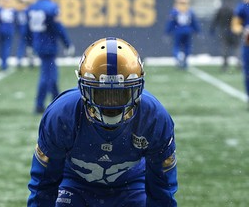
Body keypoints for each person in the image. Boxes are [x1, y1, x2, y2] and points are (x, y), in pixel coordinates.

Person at [27, 37, 178, 207]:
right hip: (75, 186)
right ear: (83, 88)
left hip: (131, 186)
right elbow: (44, 185)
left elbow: (162, 189)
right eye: (101, 94)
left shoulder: (154, 118)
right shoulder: (62, 115)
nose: (111, 104)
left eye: (120, 94)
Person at [26, 0, 75, 113]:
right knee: (49, 76)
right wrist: (67, 43)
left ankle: (56, 100)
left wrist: (29, 45)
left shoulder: (32, 7)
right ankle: (41, 104)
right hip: (49, 44)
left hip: (39, 43)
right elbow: (58, 28)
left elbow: (27, 29)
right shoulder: (52, 7)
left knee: (49, 74)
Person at [165, 0, 200, 69]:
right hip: (187, 31)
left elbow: (171, 23)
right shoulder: (189, 10)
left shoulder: (175, 11)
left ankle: (178, 58)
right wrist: (197, 31)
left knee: (176, 47)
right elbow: (194, 22)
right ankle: (184, 61)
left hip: (178, 31)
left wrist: (167, 32)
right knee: (187, 47)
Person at [210, 0, 241, 72]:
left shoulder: (221, 9)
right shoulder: (234, 9)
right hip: (234, 32)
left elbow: (215, 20)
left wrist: (212, 29)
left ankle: (225, 66)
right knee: (236, 48)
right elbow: (238, 21)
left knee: (225, 49)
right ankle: (238, 64)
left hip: (224, 32)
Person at [231, 0, 249, 108]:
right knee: (248, 74)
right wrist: (244, 30)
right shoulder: (243, 7)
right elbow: (235, 25)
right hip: (248, 45)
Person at [16, 0, 36, 68]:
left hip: (24, 29)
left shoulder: (20, 9)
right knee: (28, 46)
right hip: (28, 29)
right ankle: (28, 60)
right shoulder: (29, 9)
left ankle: (21, 60)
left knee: (26, 45)